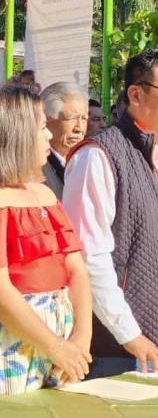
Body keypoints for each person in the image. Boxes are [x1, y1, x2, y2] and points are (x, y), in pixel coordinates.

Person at [63, 49, 158, 378]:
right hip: (119, 350)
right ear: (135, 94)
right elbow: (89, 256)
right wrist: (129, 335)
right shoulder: (99, 155)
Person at [0, 86, 93, 395]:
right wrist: (55, 346)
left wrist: (80, 338)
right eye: (42, 128)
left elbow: (76, 269)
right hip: (15, 346)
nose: (49, 136)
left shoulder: (46, 194)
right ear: (19, 135)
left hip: (61, 347)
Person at [40, 82, 89, 200]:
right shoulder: (35, 168)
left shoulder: (88, 161)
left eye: (84, 119)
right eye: (71, 119)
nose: (80, 128)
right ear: (46, 119)